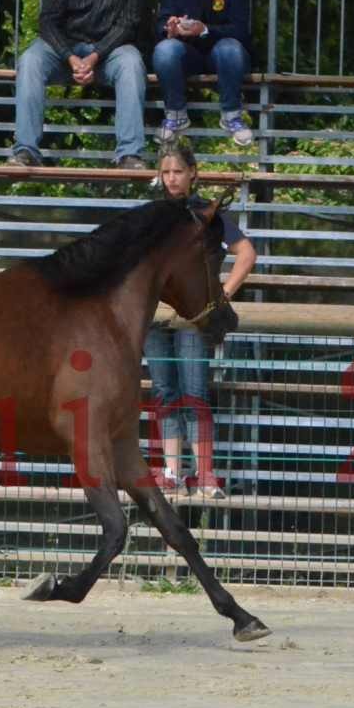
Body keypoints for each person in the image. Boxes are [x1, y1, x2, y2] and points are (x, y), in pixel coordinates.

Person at [143, 139, 257, 498]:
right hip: (155, 317)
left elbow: (246, 253)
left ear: (193, 173)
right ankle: (173, 471)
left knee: (195, 392)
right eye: (166, 172)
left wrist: (222, 296)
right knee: (164, 391)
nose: (172, 178)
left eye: (178, 171)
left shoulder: (210, 213)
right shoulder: (152, 214)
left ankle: (206, 474)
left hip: (193, 317)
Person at [7, 0, 148, 170]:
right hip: (64, 49)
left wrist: (93, 57)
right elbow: (47, 20)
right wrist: (71, 58)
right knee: (29, 60)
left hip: (108, 51)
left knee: (132, 62)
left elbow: (128, 25)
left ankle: (130, 153)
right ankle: (25, 151)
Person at [152, 0, 253, 147]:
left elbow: (240, 29)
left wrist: (205, 29)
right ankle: (175, 114)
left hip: (223, 51)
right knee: (164, 50)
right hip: (187, 51)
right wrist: (170, 29)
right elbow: (162, 20)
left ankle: (232, 116)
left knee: (230, 48)